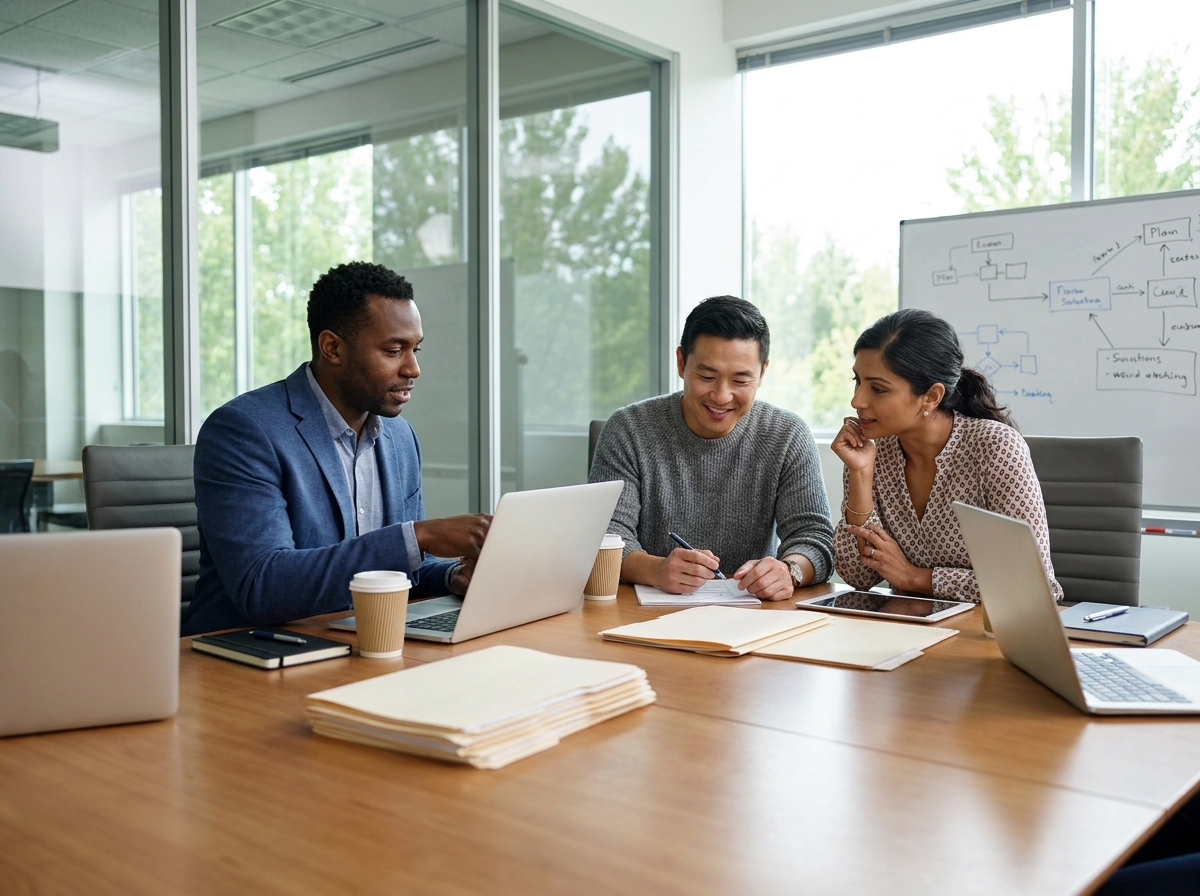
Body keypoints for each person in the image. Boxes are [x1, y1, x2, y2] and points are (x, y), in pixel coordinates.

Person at [182, 262, 491, 636]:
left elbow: (398, 567)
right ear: (332, 348)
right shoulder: (244, 431)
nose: (413, 369)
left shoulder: (400, 437)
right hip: (247, 649)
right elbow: (262, 586)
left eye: (416, 349)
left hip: (355, 638)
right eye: (394, 350)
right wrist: (419, 536)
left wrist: (451, 575)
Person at [588, 295, 834, 601]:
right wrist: (657, 570)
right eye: (707, 377)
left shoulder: (787, 435)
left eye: (740, 381)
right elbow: (606, 535)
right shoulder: (629, 429)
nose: (721, 396)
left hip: (750, 615)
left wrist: (789, 570)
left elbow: (815, 538)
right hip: (641, 612)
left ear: (762, 372)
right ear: (681, 362)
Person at [831, 308, 1062, 602]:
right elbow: (857, 575)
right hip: (907, 623)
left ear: (931, 396)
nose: (857, 400)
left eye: (878, 389)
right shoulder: (871, 451)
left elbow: (1034, 583)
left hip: (986, 626)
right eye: (857, 381)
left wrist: (915, 578)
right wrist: (860, 474)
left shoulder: (995, 446)